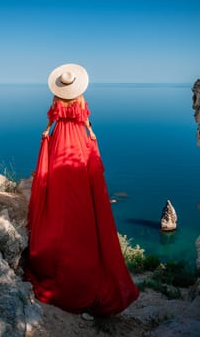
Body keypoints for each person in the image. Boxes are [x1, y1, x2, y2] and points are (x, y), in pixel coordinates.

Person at [26, 63, 139, 319]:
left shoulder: (57, 99)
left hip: (60, 141)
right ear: (76, 84)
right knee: (80, 180)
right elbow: (86, 119)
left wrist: (47, 132)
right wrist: (90, 132)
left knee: (59, 182)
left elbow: (52, 119)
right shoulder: (80, 98)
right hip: (77, 140)